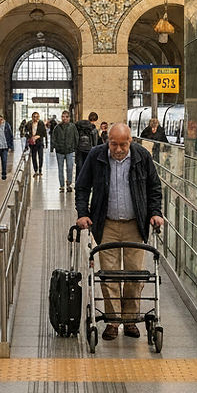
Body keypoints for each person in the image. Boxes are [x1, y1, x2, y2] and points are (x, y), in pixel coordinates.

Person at [75, 123, 163, 340]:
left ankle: (130, 320)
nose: (118, 149)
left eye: (123, 144)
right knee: (109, 275)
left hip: (135, 224)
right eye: (114, 144)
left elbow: (154, 187)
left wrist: (155, 213)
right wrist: (82, 213)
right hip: (106, 224)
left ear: (130, 141)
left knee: (134, 274)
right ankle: (113, 321)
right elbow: (82, 186)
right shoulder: (96, 156)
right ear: (108, 141)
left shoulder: (142, 156)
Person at [50, 110, 79, 191]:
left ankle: (69, 184)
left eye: (66, 117)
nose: (64, 118)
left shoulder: (72, 127)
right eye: (63, 117)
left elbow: (76, 137)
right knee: (60, 168)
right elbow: (53, 138)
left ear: (69, 118)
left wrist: (75, 148)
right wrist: (54, 147)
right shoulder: (57, 127)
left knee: (70, 168)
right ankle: (62, 185)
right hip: (60, 151)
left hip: (70, 150)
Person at [75, 111, 98, 177]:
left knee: (79, 167)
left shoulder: (80, 126)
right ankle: (85, 181)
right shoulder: (93, 128)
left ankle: (78, 181)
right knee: (87, 167)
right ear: (95, 120)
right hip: (89, 149)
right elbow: (95, 141)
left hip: (79, 148)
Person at [25, 110, 47, 175]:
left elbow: (44, 133)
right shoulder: (29, 123)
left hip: (40, 143)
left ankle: (40, 169)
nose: (35, 118)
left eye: (37, 117)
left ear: (39, 117)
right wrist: (30, 137)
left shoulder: (41, 123)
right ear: (32, 117)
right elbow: (25, 132)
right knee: (33, 157)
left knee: (40, 156)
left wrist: (38, 136)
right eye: (34, 116)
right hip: (32, 143)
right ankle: (35, 170)